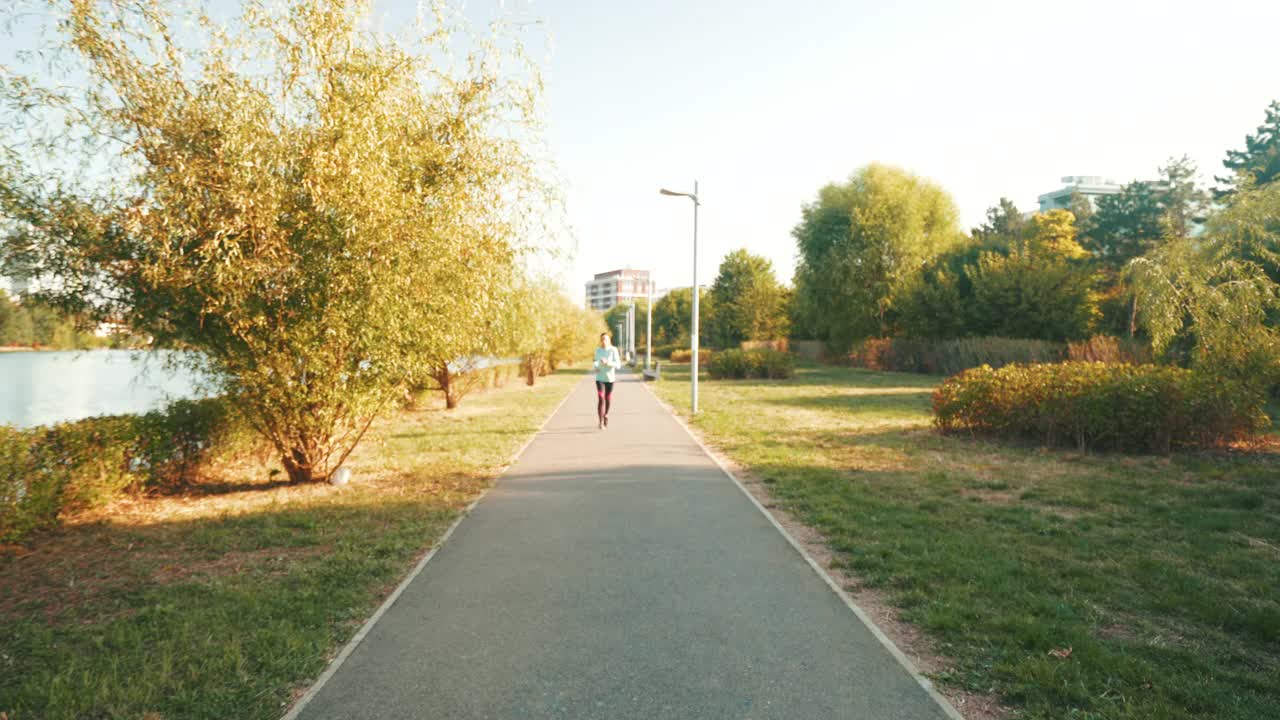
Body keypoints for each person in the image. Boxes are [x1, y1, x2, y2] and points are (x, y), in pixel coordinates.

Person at [593, 332, 622, 429]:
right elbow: (595, 361)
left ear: (609, 340)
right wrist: (595, 367)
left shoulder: (613, 350)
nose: (603, 341)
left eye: (605, 339)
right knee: (601, 398)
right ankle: (600, 422)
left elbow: (618, 365)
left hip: (610, 379)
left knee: (607, 398)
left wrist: (607, 362)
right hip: (599, 378)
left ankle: (606, 414)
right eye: (602, 339)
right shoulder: (598, 350)